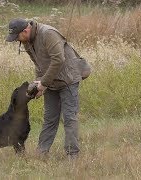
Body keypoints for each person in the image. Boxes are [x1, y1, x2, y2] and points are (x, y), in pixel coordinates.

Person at [6, 18, 88, 159]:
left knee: (69, 118)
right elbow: (39, 65)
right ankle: (42, 153)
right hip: (51, 81)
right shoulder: (26, 41)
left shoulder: (48, 33)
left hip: (68, 79)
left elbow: (58, 60)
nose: (16, 41)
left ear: (25, 31)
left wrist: (43, 83)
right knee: (49, 118)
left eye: (17, 37)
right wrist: (39, 83)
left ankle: (72, 156)